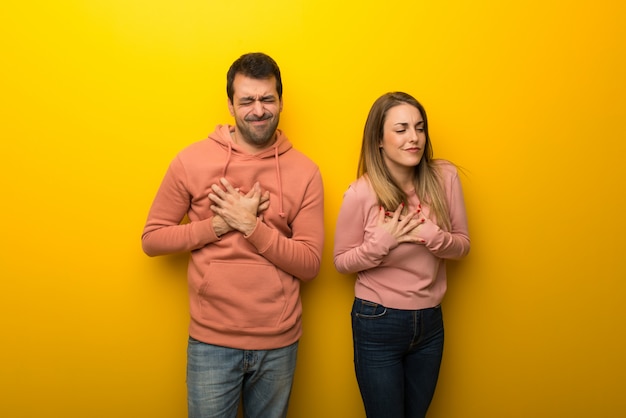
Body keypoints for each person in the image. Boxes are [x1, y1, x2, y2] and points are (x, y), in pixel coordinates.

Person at [142, 52, 324, 418]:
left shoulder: (305, 171)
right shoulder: (191, 161)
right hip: (212, 341)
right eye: (247, 100)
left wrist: (251, 227)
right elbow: (152, 239)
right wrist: (218, 225)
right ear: (230, 105)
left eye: (267, 99)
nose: (259, 110)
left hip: (279, 343)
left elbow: (310, 264)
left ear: (281, 101)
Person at [333, 92, 470, 418]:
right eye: (402, 129)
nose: (414, 138)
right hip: (377, 321)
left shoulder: (445, 177)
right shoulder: (361, 194)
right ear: (378, 140)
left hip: (431, 322)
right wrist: (382, 243)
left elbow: (463, 245)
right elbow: (340, 261)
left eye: (420, 128)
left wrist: (433, 237)